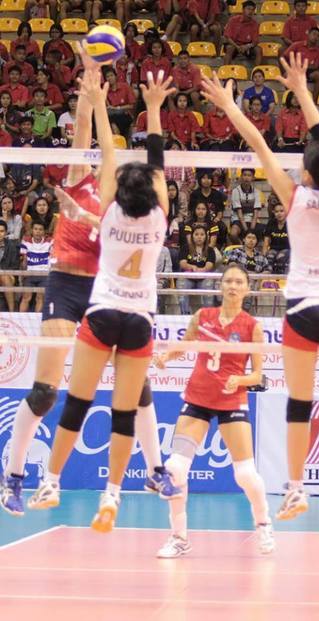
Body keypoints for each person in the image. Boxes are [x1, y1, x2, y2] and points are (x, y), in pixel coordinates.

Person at [1, 50, 179, 518]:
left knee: (138, 389)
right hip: (66, 285)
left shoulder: (117, 203)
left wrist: (85, 214)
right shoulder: (80, 175)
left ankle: (156, 469)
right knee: (45, 391)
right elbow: (85, 125)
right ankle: (14, 476)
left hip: (105, 292)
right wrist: (91, 73)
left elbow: (122, 161)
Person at [200, 53, 319, 530]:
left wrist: (230, 106)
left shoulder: (294, 196)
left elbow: (257, 142)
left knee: (299, 403)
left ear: (306, 173)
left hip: (303, 309)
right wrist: (303, 90)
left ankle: (296, 489)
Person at [154, 264, 274, 557]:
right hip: (198, 397)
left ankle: (264, 525)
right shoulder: (203, 316)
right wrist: (166, 356)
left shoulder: (252, 327)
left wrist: (240, 380)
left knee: (245, 474)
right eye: (228, 281)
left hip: (231, 401)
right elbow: (185, 345)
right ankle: (179, 537)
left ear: (247, 289)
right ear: (221, 286)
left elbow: (258, 376)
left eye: (239, 282)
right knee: (176, 467)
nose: (233, 286)